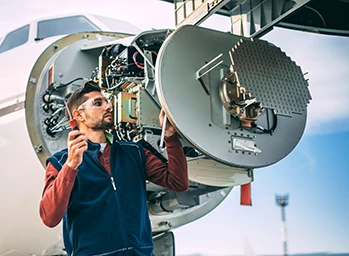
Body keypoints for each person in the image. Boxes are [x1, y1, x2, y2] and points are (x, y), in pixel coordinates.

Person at [39, 81, 189, 256]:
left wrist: (170, 137)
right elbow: (49, 217)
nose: (108, 106)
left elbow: (178, 182)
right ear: (79, 115)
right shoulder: (59, 162)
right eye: (98, 103)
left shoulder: (134, 152)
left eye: (107, 101)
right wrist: (71, 165)